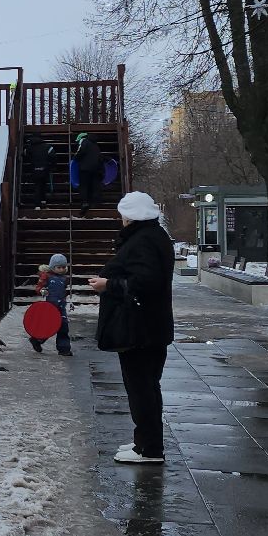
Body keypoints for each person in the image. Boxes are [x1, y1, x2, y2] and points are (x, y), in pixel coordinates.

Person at [91, 191, 176, 465]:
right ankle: (146, 440)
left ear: (130, 216)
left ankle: (149, 449)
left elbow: (145, 283)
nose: (122, 220)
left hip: (140, 329)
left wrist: (108, 285)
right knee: (146, 386)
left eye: (123, 215)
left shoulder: (143, 241)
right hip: (149, 327)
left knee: (142, 388)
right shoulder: (154, 236)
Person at [30, 253, 74, 356]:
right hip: (51, 306)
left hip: (61, 307)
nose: (61, 269)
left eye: (63, 267)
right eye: (59, 267)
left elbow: (65, 292)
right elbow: (38, 288)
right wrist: (42, 291)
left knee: (63, 327)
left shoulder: (64, 279)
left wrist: (69, 301)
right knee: (49, 326)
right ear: (52, 267)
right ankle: (37, 339)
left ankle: (64, 349)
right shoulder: (47, 277)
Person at [73, 131, 104, 216]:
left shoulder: (83, 141)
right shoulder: (95, 145)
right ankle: (94, 203)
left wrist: (75, 158)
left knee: (84, 186)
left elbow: (80, 151)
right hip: (96, 169)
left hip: (85, 168)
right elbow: (100, 157)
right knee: (93, 186)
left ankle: (85, 203)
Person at [22, 132, 55, 207]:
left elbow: (24, 154)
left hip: (35, 168)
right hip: (45, 168)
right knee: (44, 184)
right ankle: (43, 201)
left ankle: (37, 204)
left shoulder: (30, 147)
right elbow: (53, 156)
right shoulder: (47, 146)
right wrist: (52, 165)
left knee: (37, 185)